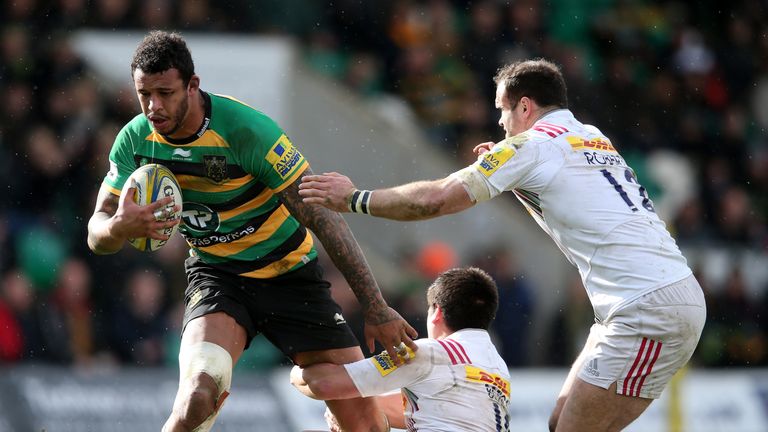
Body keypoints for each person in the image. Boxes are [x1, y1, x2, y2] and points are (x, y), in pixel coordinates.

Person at [298, 58, 707, 432]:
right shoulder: (591, 136)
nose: (501, 123)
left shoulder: (531, 147)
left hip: (645, 307)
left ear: (524, 107)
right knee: (560, 422)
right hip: (661, 295)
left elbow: (435, 199)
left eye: (502, 110)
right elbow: (568, 191)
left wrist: (354, 199)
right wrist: (510, 171)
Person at [86, 31, 417, 432]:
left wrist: (376, 307)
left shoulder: (247, 131)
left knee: (363, 423)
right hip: (218, 278)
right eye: (144, 94)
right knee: (196, 396)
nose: (154, 107)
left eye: (165, 92)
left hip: (290, 277)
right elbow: (96, 232)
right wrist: (120, 226)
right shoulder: (135, 140)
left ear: (193, 85)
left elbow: (321, 217)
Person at [291, 267, 510, 431]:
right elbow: (423, 404)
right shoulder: (497, 367)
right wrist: (358, 410)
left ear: (437, 313)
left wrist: (296, 368)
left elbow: (324, 384)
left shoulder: (428, 352)